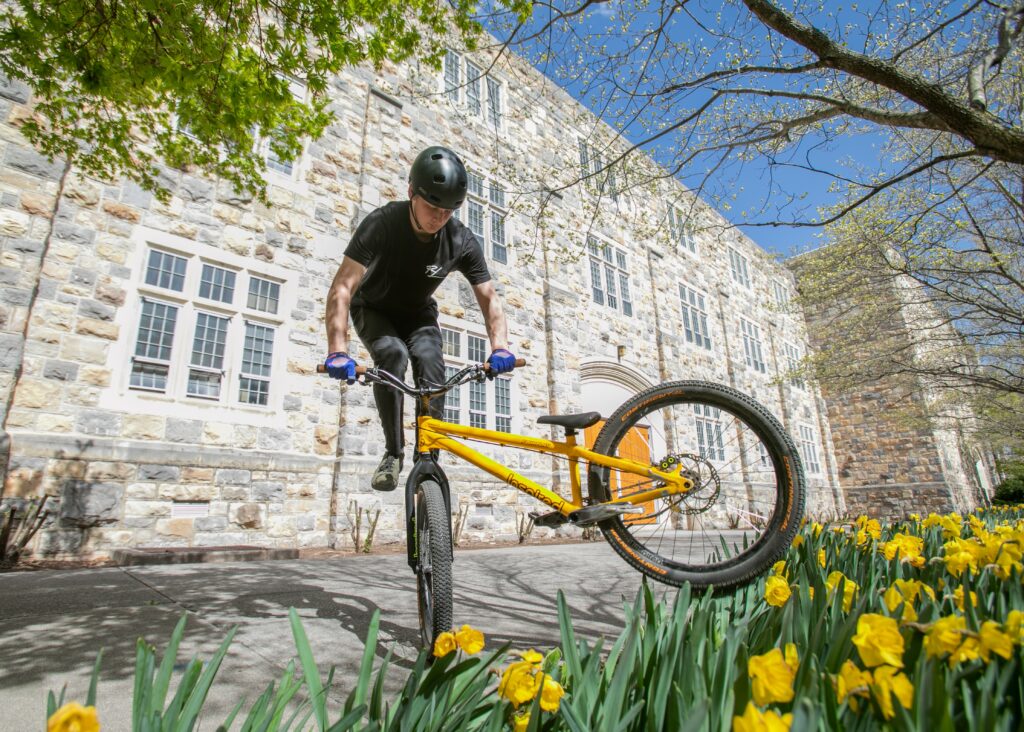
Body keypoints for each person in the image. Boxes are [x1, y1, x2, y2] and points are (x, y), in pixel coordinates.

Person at [323, 146, 516, 491]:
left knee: (430, 361)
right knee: (393, 356)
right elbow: (342, 287)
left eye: (449, 210)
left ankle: (428, 455)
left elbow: (488, 297)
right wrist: (337, 350)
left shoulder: (460, 240)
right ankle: (393, 454)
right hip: (373, 308)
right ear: (411, 192)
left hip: (418, 314)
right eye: (432, 207)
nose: (439, 218)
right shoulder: (381, 223)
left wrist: (500, 346)